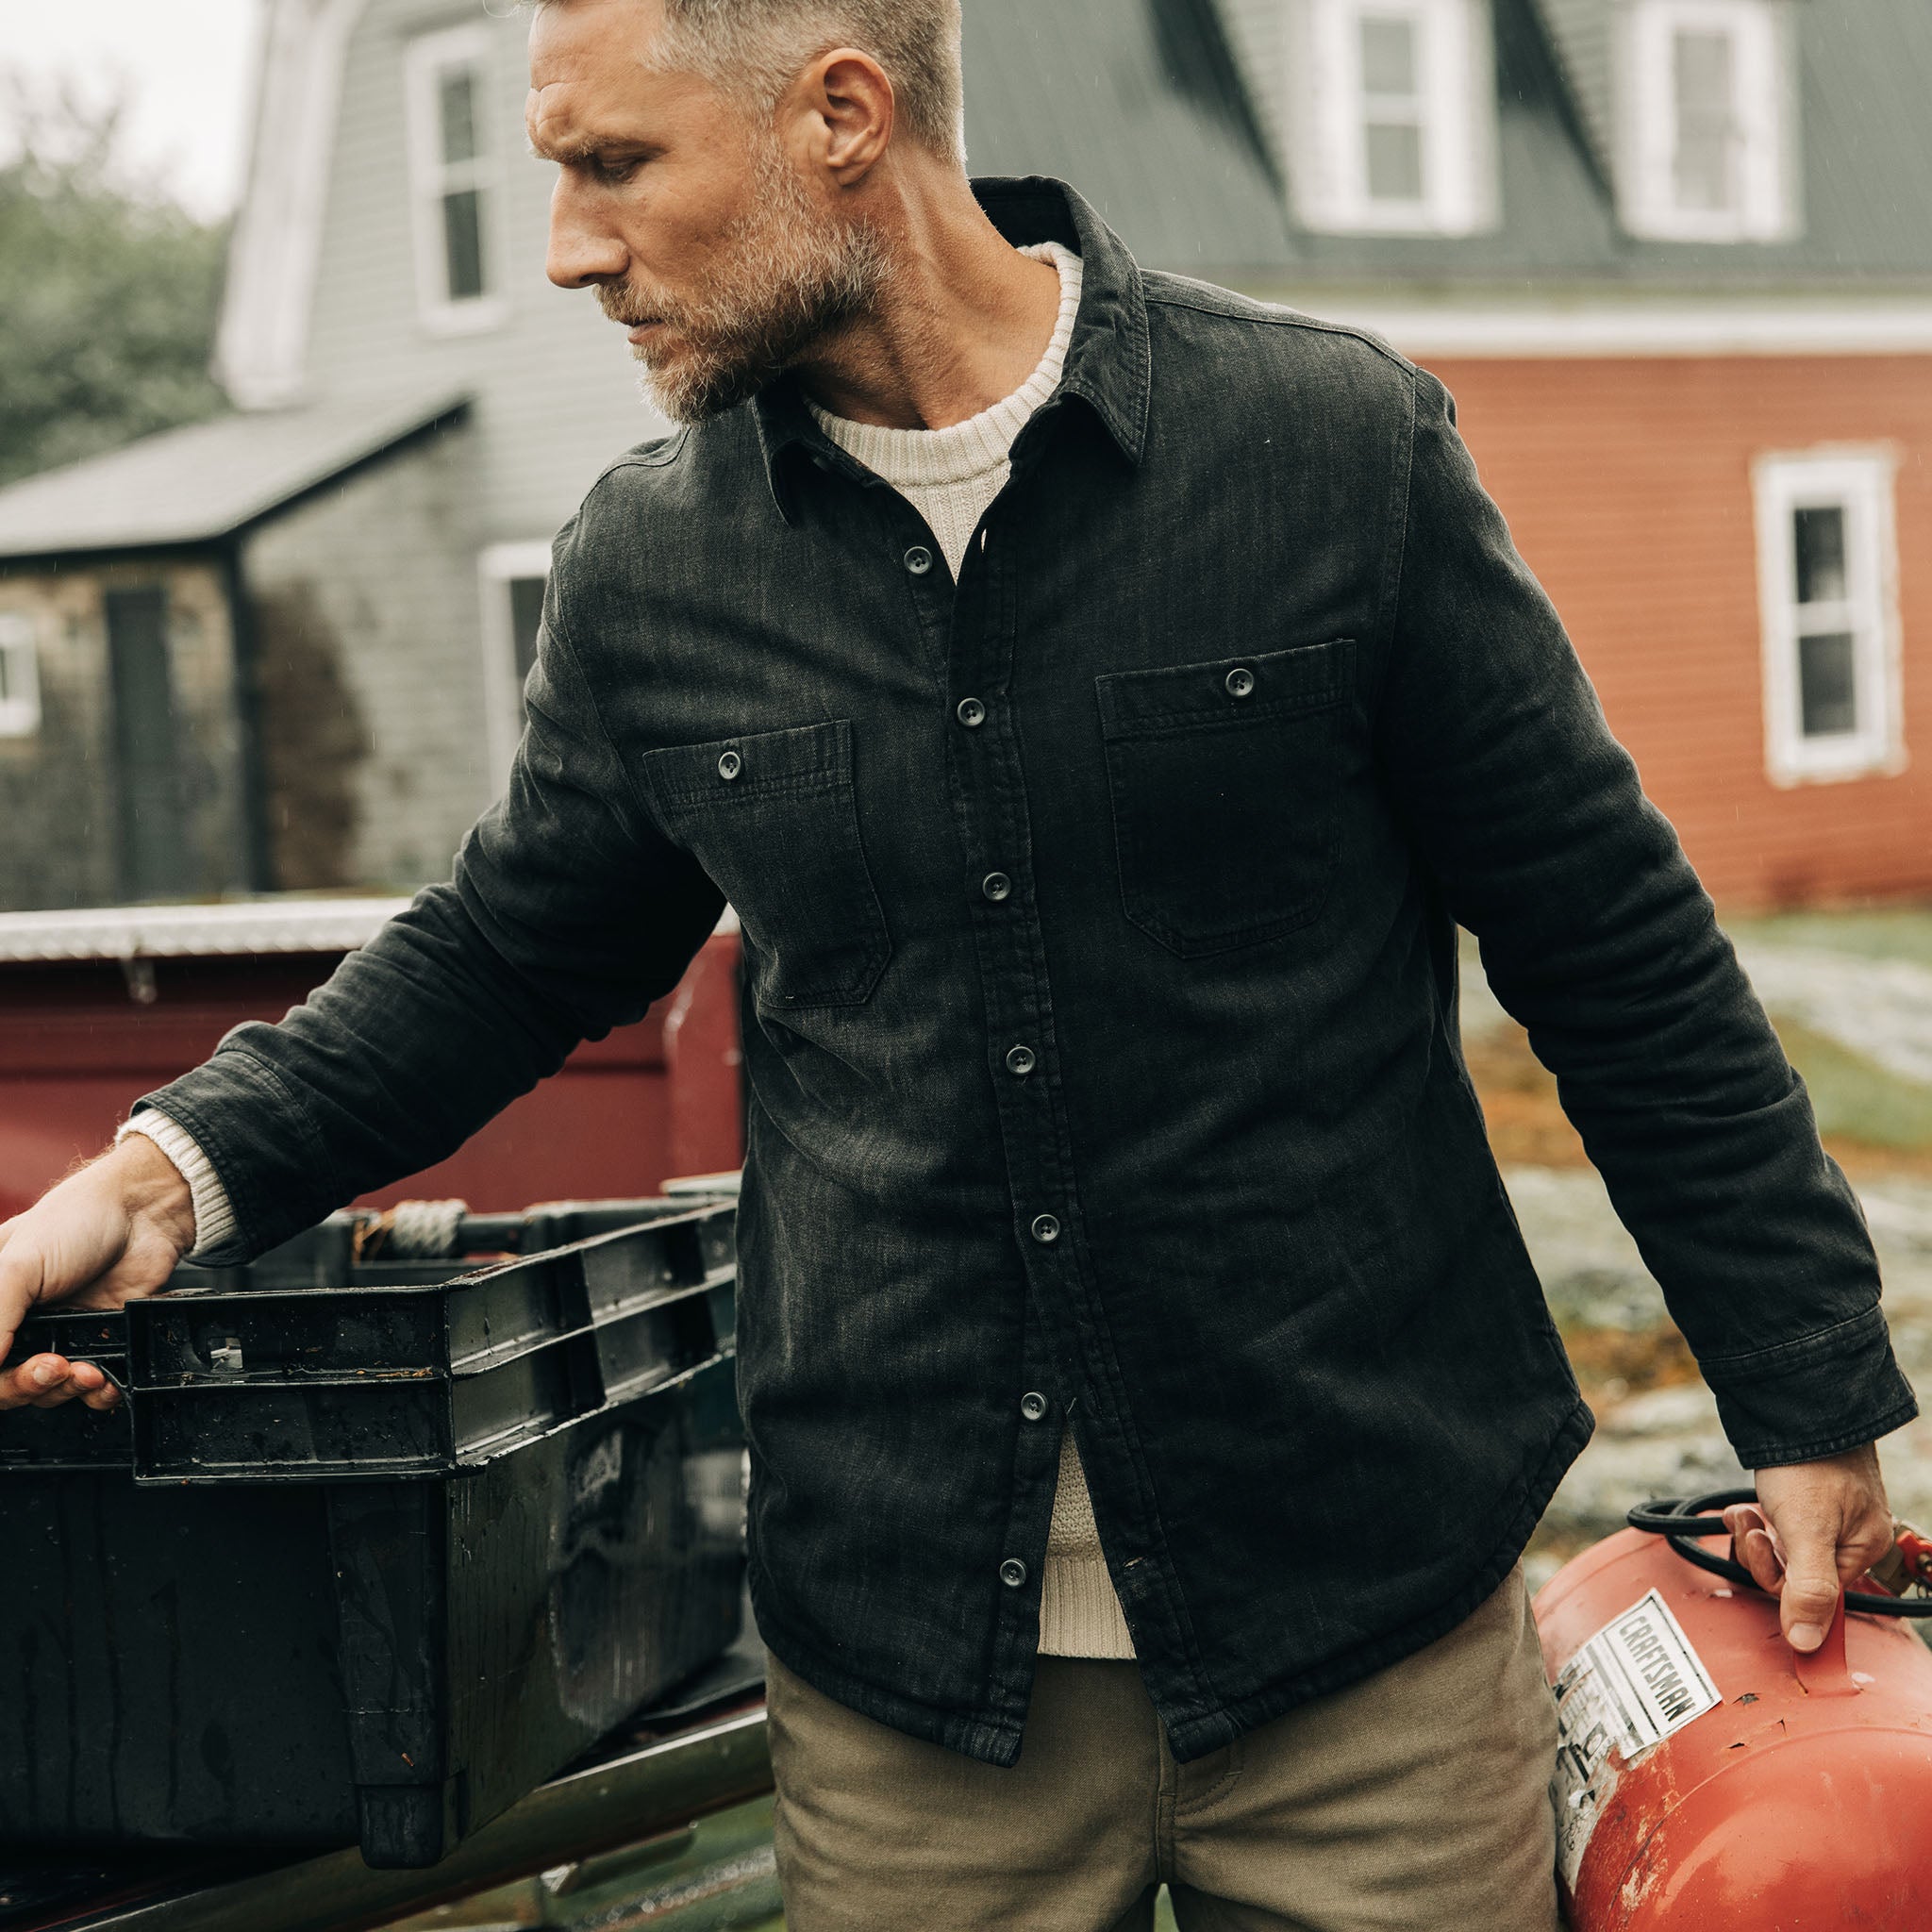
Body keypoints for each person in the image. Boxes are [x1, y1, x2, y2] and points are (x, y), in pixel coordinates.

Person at [0, 1, 1916, 1924]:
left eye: (613, 165)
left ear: (841, 113)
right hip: (913, 1685)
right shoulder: (654, 566)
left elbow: (1614, 943)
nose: (570, 248)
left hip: (1370, 1640)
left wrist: (1807, 1391)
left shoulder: (1331, 452)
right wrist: (162, 1179)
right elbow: (508, 948)